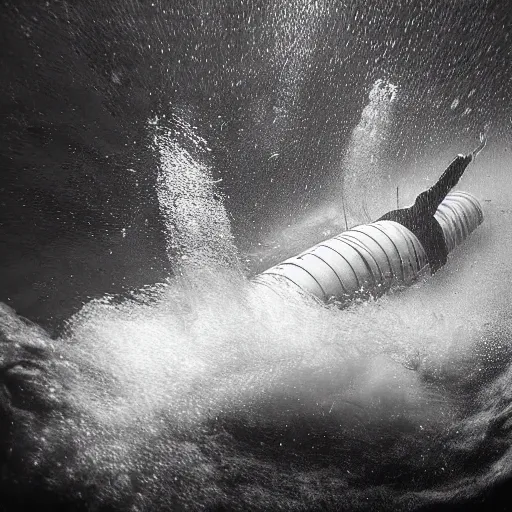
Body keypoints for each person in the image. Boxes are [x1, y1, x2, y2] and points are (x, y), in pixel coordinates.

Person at [377, 135, 487, 274]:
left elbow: (444, 183)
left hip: (414, 228)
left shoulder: (404, 215)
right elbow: (444, 183)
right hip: (420, 230)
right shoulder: (424, 222)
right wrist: (465, 159)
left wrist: (464, 160)